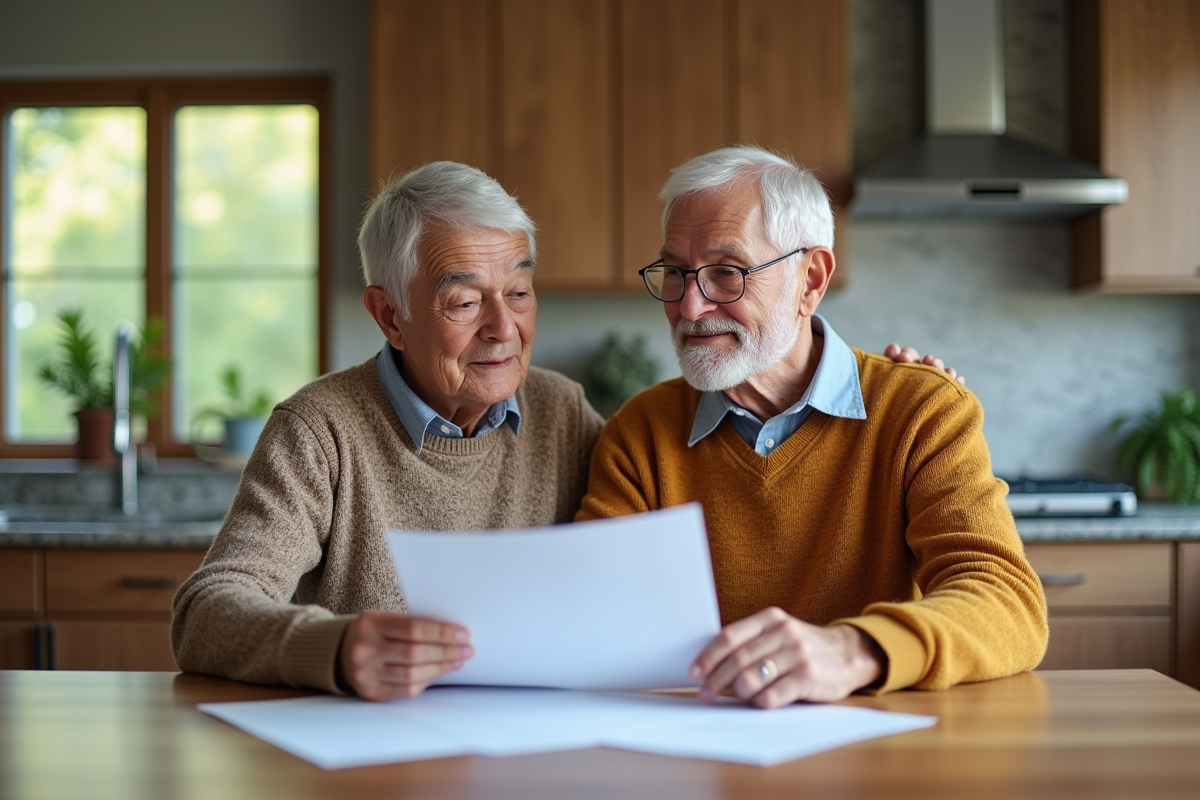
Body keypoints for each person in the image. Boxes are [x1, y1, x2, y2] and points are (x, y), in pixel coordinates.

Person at [172, 159, 969, 702]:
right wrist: (335, 650)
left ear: (810, 281)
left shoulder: (563, 416)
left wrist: (903, 397)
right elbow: (207, 609)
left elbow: (625, 569)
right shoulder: (319, 432)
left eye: (519, 293)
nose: (503, 329)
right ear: (389, 316)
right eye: (463, 301)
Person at [576, 145, 1048, 708]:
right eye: (676, 273)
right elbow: (589, 614)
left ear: (810, 280)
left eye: (726, 273)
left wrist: (852, 651)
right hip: (699, 735)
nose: (690, 307)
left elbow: (1007, 603)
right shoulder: (640, 433)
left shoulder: (920, 411)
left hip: (879, 735)